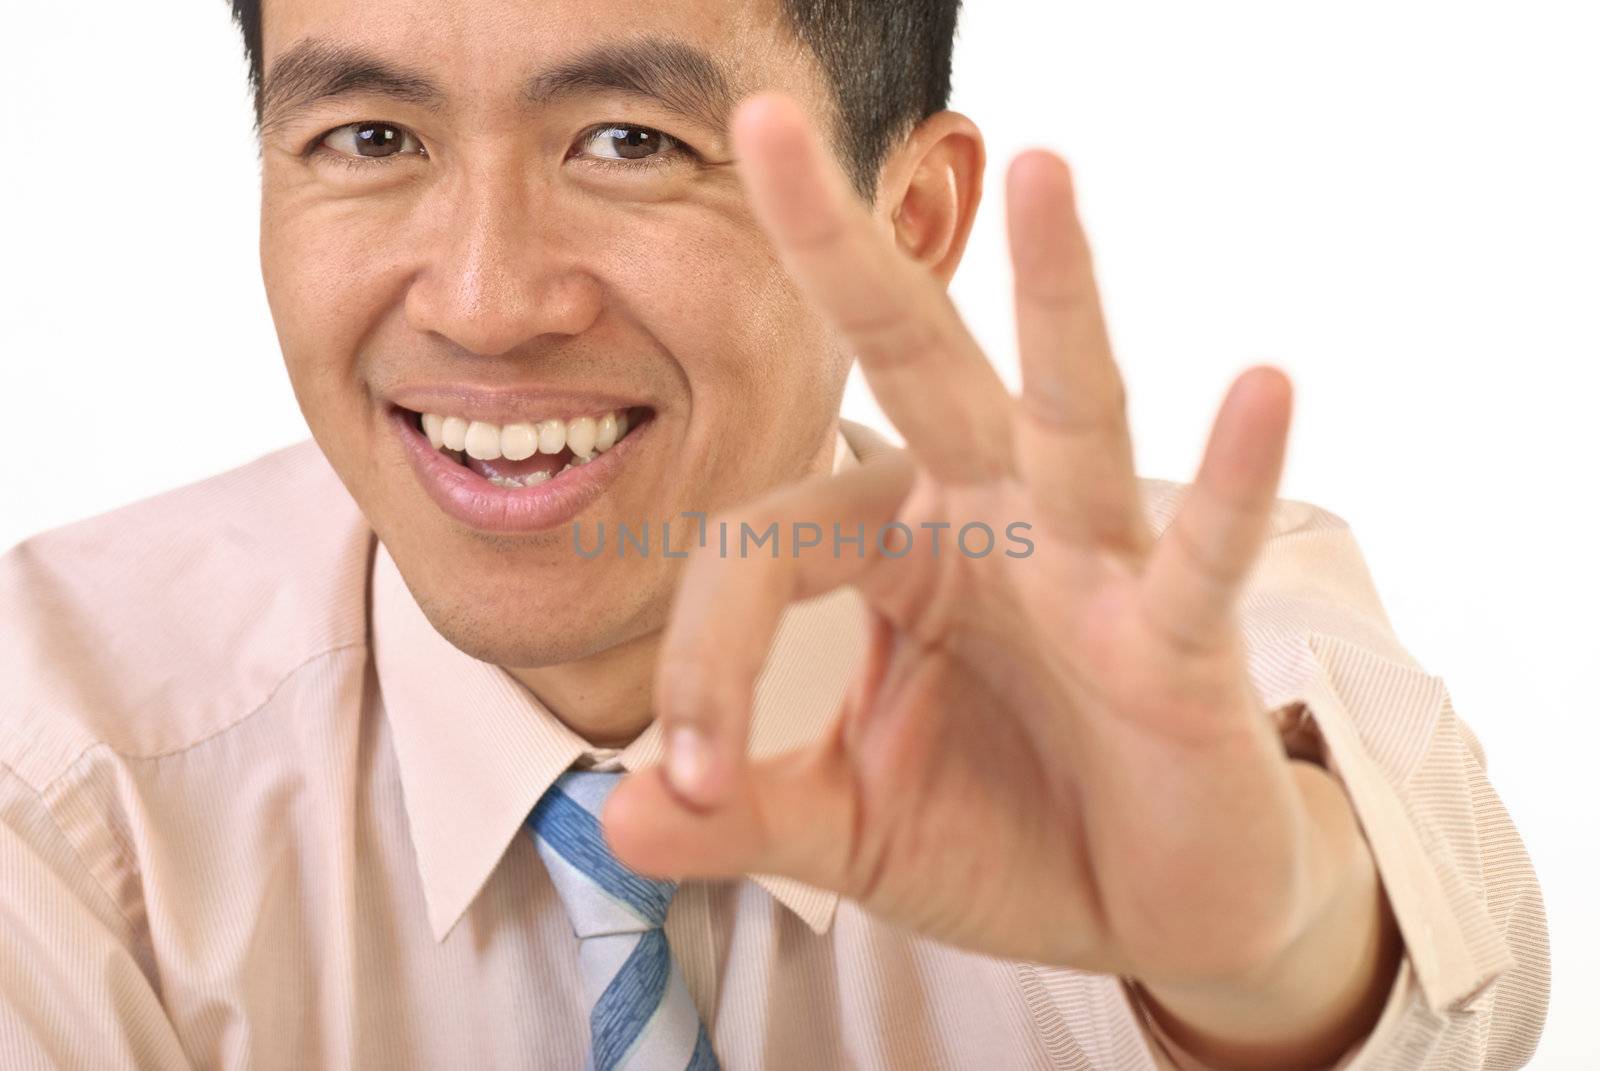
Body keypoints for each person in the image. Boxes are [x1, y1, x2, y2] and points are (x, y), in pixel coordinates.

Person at [0, 0, 1549, 1067]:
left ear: (915, 220)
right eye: (369, 138)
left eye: (628, 141)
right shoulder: (60, 768)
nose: (480, 300)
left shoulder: (1179, 643)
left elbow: (1445, 981)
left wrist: (1265, 956)